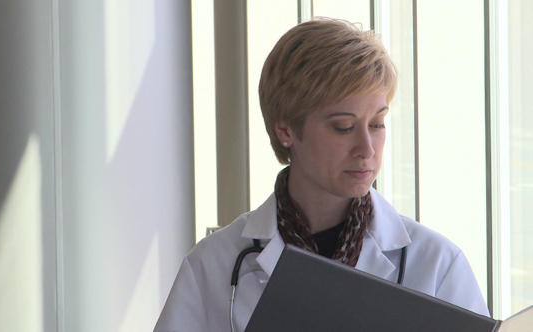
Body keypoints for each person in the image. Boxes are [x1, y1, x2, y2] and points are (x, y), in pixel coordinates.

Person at [154, 18, 489, 332]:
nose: (367, 148)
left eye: (377, 124)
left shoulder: (437, 264)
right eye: (343, 127)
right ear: (285, 129)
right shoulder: (212, 266)